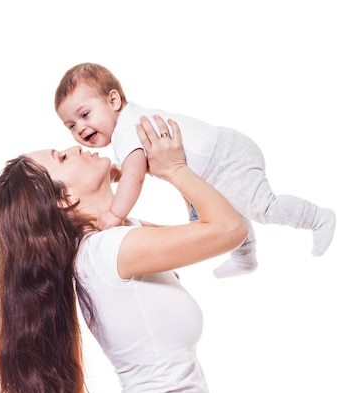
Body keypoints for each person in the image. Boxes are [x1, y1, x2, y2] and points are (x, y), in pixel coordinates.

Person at [0, 115, 248, 393]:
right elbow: (229, 230)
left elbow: (214, 226)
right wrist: (173, 169)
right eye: (61, 157)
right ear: (66, 197)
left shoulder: (117, 238)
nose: (76, 145)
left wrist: (144, 171)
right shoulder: (106, 252)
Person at [55, 62, 336, 279]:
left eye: (84, 115)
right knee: (220, 212)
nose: (79, 128)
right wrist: (117, 173)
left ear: (113, 101)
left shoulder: (128, 129)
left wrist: (116, 213)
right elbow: (131, 168)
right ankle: (245, 258)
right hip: (213, 166)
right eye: (70, 125)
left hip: (225, 157)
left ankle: (317, 218)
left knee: (262, 207)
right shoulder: (124, 131)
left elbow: (135, 176)